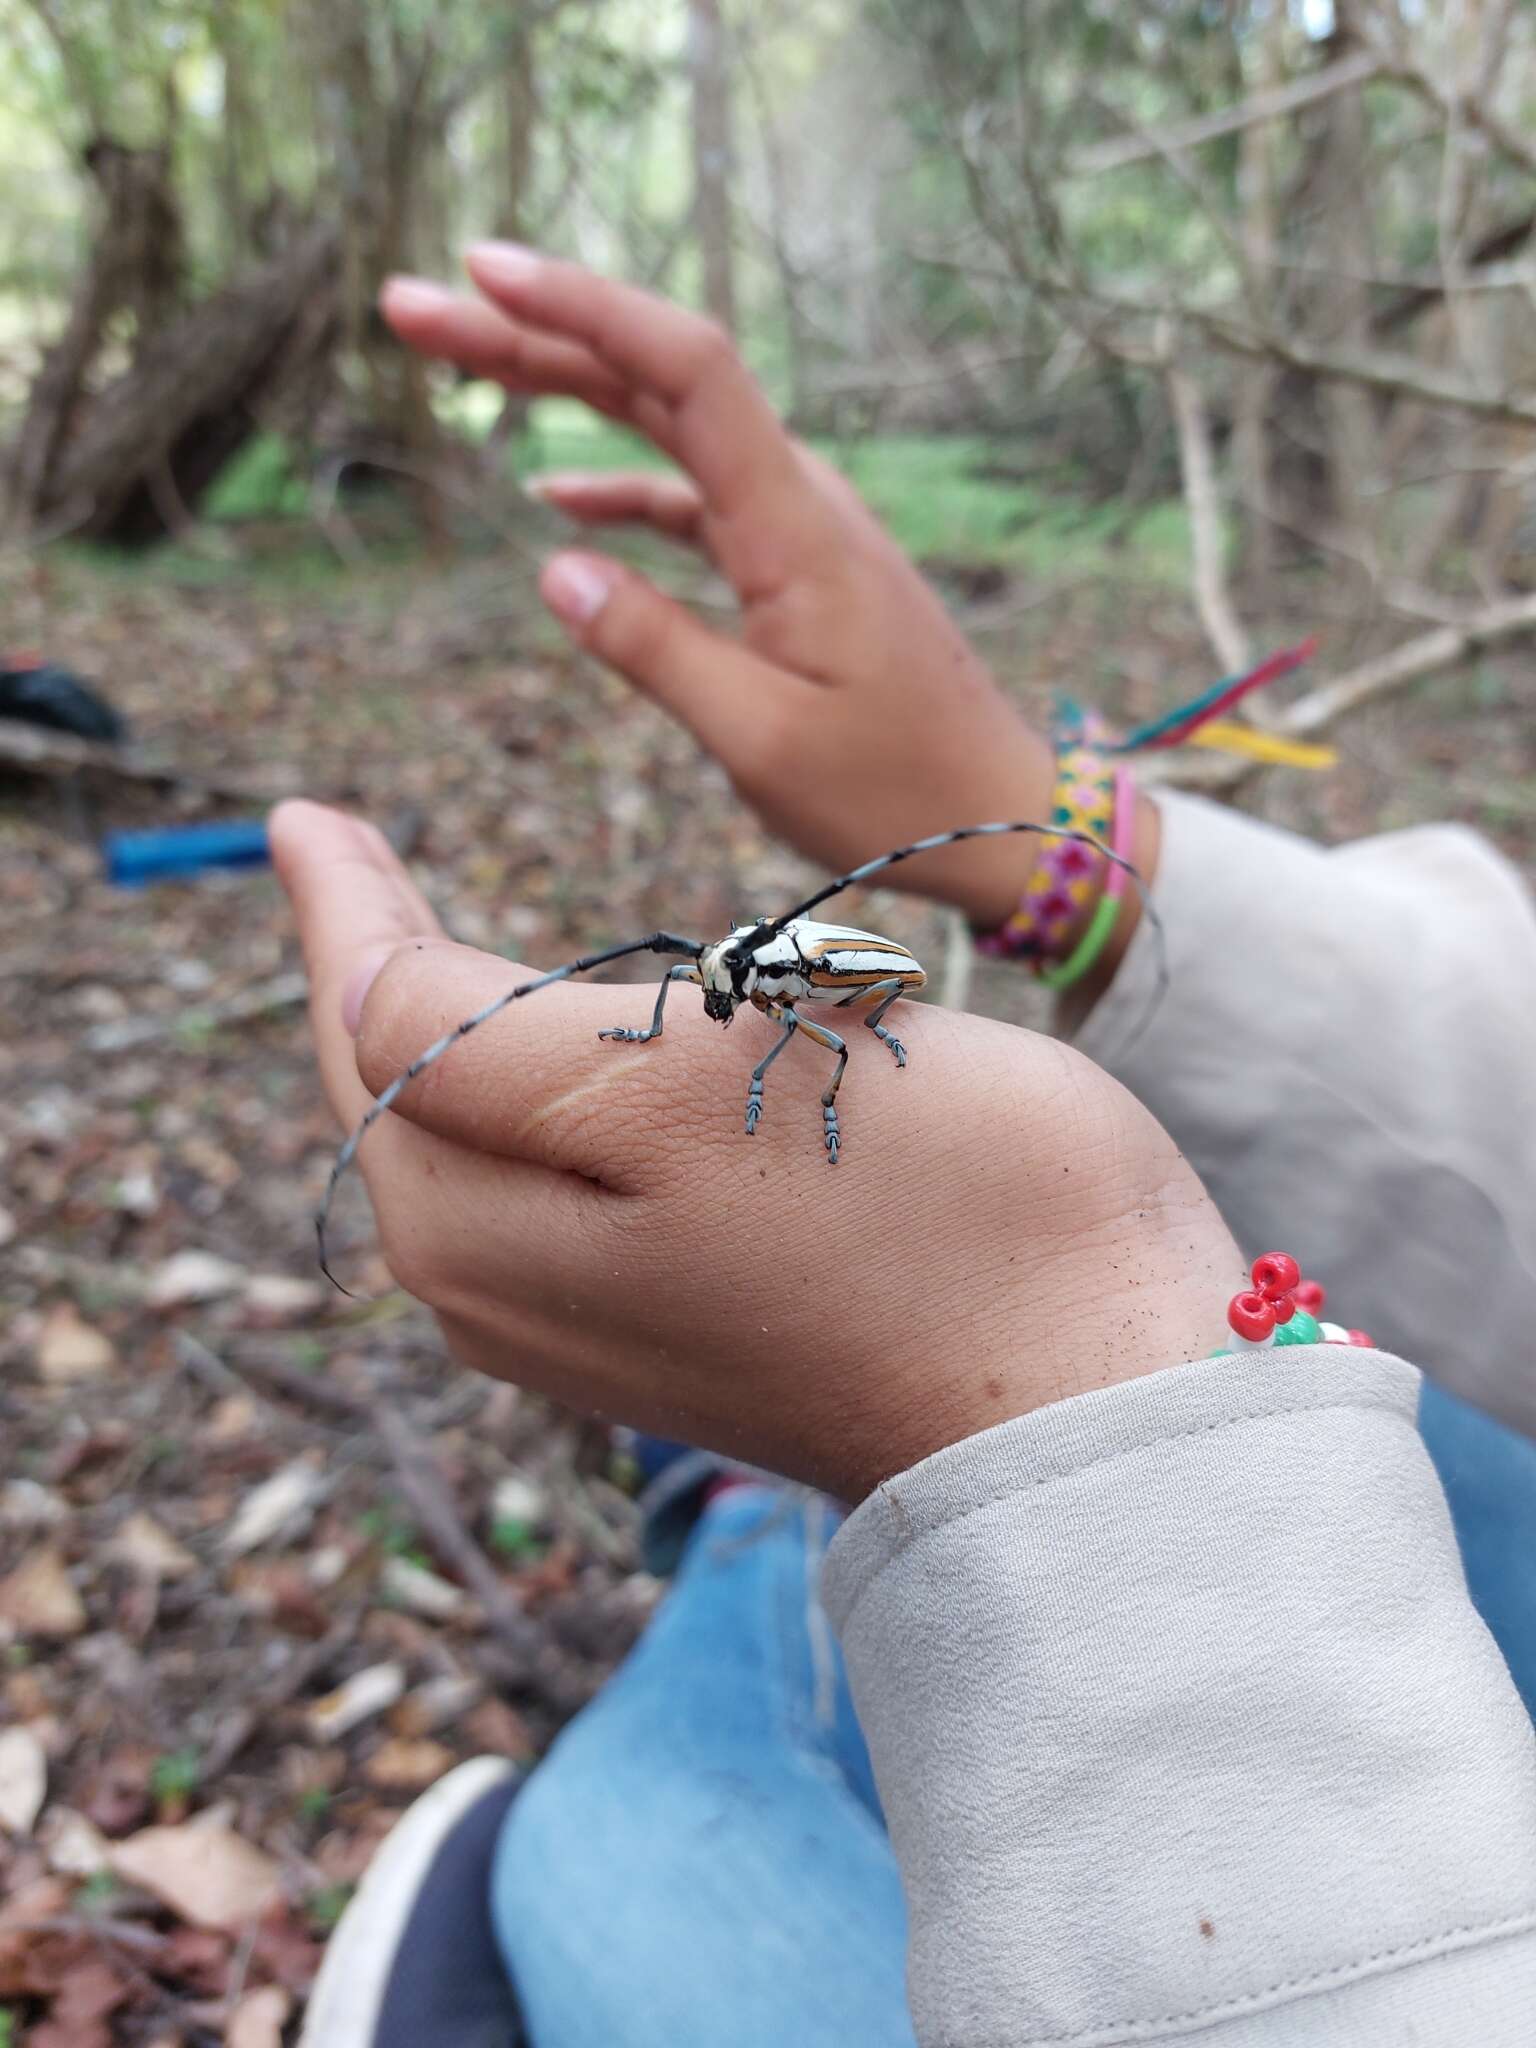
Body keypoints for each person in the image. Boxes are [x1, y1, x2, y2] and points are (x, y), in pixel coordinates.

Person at [274, 246, 1536, 2048]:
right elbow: (755, 1009)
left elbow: (823, 1032)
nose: (702, 1001)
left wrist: (1016, 1341)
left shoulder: (796, 998)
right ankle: (772, 1482)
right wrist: (1068, 845)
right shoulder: (748, 986)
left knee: (621, 1849)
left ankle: (752, 1502)